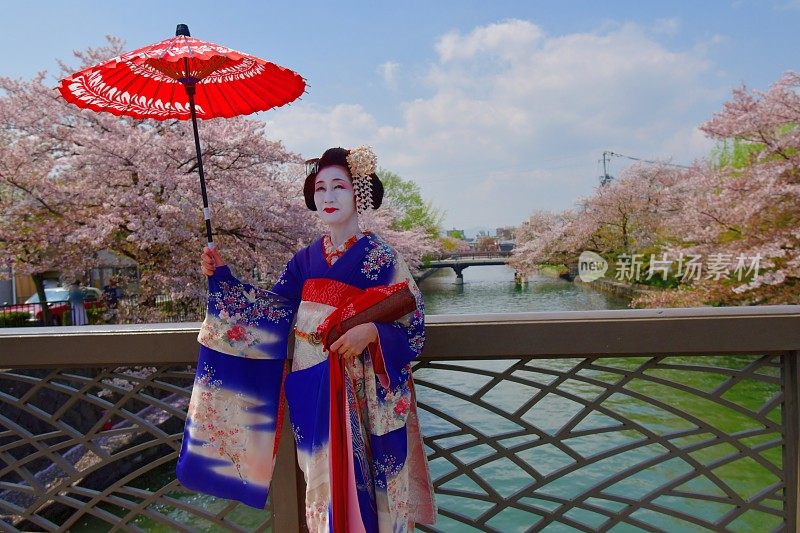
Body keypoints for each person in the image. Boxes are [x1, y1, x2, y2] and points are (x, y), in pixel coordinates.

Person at [177, 146, 436, 532]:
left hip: (365, 392)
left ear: (358, 193)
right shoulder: (305, 259)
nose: (328, 197)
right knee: (322, 485)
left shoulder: (381, 257)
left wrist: (372, 331)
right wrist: (224, 278)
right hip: (314, 383)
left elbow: (412, 322)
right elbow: (273, 312)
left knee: (376, 492)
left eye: (339, 187)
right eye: (320, 188)